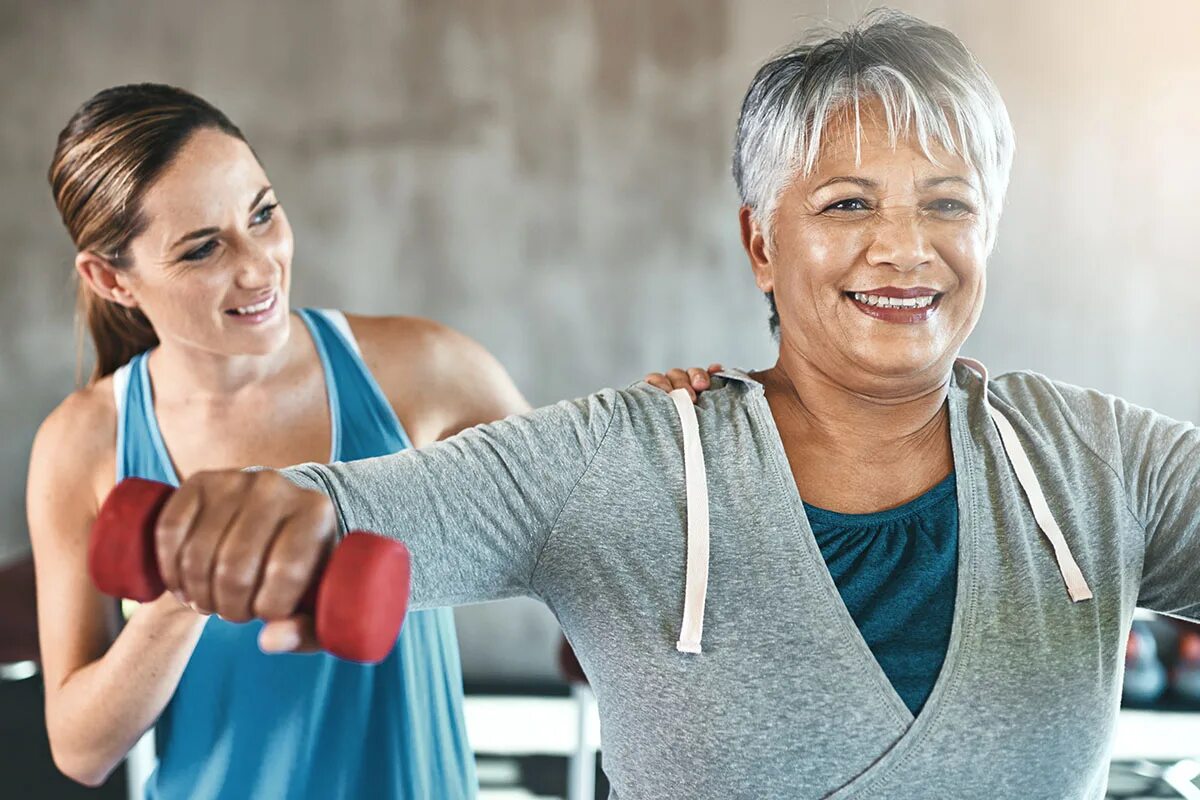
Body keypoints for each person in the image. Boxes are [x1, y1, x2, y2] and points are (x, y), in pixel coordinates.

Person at [90, 10, 1200, 799]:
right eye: (848, 203)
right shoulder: (623, 463)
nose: (906, 247)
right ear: (761, 242)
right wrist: (264, 514)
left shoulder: (1105, 462)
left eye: (947, 204)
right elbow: (355, 505)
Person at [25, 83, 713, 798]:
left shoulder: (424, 369)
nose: (259, 266)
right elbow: (80, 750)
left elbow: (587, 535)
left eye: (263, 214)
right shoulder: (82, 443)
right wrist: (182, 594)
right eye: (202, 249)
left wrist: (668, 438)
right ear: (110, 279)